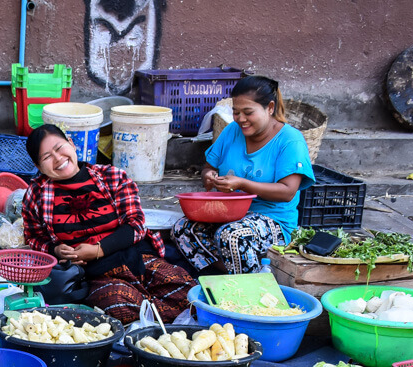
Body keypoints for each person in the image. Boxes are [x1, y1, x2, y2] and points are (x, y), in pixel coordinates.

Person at [20, 124, 194, 324]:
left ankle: (151, 314)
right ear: (39, 167)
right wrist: (56, 250)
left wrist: (98, 250)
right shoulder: (36, 194)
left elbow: (136, 225)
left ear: (71, 144)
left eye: (59, 148)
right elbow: (33, 238)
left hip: (134, 257)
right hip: (91, 274)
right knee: (118, 304)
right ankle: (156, 316)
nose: (58, 158)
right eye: (46, 157)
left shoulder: (112, 177)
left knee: (188, 292)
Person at [172, 75, 316, 274]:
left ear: (270, 107)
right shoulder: (232, 131)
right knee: (183, 229)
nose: (240, 119)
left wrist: (241, 183)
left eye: (248, 112)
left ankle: (249, 286)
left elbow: (287, 192)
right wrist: (209, 175)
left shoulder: (290, 140)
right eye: (236, 112)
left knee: (232, 235)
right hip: (230, 213)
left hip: (274, 220)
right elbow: (208, 166)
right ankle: (230, 275)